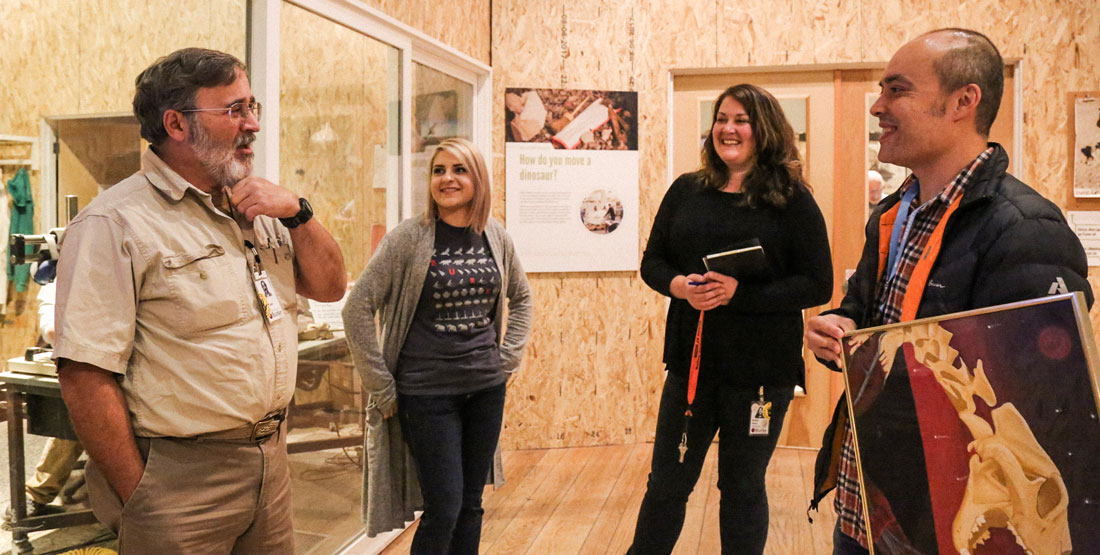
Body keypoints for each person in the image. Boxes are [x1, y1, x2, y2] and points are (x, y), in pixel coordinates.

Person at [805, 29, 1092, 555]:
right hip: (866, 501)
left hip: (946, 525)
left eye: (897, 90)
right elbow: (866, 320)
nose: (878, 107)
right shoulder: (893, 215)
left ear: (963, 102)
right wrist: (839, 330)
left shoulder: (1027, 228)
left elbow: (1044, 409)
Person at [52, 47, 346, 553]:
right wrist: (141, 494)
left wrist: (300, 212)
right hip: (178, 481)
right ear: (177, 124)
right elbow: (84, 375)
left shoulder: (261, 205)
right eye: (234, 110)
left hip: (271, 462)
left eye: (253, 107)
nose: (252, 124)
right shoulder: (115, 223)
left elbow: (329, 287)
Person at [628, 83, 833, 554]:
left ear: (763, 129)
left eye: (741, 119)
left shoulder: (792, 201)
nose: (728, 128)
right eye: (722, 118)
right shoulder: (686, 191)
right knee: (666, 485)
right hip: (691, 371)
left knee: (741, 489)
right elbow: (653, 263)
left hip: (761, 376)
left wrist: (739, 293)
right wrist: (681, 287)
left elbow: (817, 284)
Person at [342, 138, 532, 553]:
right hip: (427, 395)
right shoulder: (408, 239)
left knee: (471, 505)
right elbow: (356, 308)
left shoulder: (495, 235)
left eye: (459, 170)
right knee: (444, 506)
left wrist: (507, 357)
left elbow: (522, 297)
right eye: (438, 170)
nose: (447, 179)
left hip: (485, 389)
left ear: (477, 179)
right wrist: (380, 385)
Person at [3, 281, 84, 521]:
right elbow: (51, 330)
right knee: (77, 418)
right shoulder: (57, 286)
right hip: (86, 364)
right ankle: (37, 493)